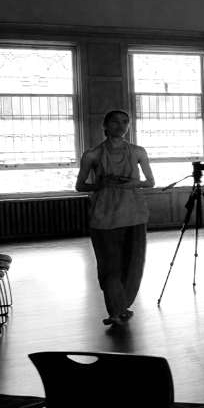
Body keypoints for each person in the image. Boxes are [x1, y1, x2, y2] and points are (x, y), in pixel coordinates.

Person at [77, 109, 154, 329]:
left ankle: (120, 307)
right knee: (110, 266)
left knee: (133, 263)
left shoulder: (138, 151)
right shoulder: (92, 154)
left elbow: (150, 182)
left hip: (134, 214)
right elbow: (80, 185)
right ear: (105, 124)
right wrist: (100, 184)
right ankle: (116, 310)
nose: (121, 126)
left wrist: (130, 183)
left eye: (125, 122)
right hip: (104, 216)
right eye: (115, 121)